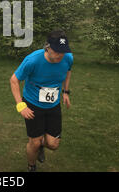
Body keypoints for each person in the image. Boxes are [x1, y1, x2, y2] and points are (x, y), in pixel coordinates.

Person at [10, 30, 73, 172]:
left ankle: (41, 146)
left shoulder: (67, 58)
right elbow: (14, 80)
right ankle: (31, 166)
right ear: (47, 47)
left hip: (53, 105)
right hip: (33, 104)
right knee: (34, 141)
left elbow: (68, 71)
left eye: (63, 51)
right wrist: (21, 105)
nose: (60, 55)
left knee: (53, 144)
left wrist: (66, 92)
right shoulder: (32, 60)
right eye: (57, 51)